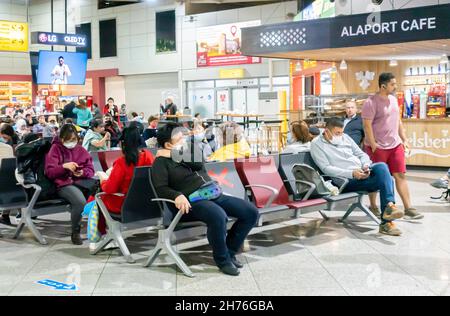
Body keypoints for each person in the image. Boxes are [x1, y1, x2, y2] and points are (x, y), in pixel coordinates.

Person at [151, 122, 258, 276]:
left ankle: (230, 251)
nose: (184, 140)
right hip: (190, 202)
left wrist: (174, 154)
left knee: (251, 212)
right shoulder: (160, 162)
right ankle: (223, 260)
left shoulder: (190, 150)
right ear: (168, 144)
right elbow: (160, 188)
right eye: (179, 138)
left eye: (184, 136)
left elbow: (198, 163)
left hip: (211, 193)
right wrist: (176, 195)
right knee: (218, 216)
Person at [310, 118, 404, 236]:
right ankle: (387, 220)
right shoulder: (316, 144)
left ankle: (389, 207)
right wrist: (352, 173)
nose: (340, 136)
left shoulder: (345, 138)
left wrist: (365, 166)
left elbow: (361, 154)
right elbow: (326, 168)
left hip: (361, 171)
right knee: (388, 179)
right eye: (337, 133)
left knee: (381, 166)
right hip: (345, 181)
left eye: (341, 132)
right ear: (326, 131)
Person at [362, 73, 424, 220]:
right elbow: (367, 125)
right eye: (392, 84)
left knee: (400, 175)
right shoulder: (370, 102)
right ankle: (373, 205)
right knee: (376, 176)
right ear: (383, 85)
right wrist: (373, 144)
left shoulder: (394, 100)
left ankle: (408, 208)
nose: (395, 87)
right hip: (378, 147)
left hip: (395, 145)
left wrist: (404, 139)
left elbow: (398, 122)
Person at [94, 126, 155, 248]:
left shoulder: (122, 162)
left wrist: (103, 180)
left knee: (98, 198)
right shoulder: (148, 157)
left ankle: (104, 234)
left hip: (125, 205)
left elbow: (110, 189)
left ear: (123, 143)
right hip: (149, 205)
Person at [45, 124, 95, 245]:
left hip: (81, 182)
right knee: (80, 202)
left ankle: (99, 228)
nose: (71, 143)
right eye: (68, 140)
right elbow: (49, 172)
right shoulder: (55, 149)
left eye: (74, 139)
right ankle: (75, 231)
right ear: (61, 139)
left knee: (100, 193)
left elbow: (90, 169)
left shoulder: (81, 150)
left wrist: (82, 172)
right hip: (62, 184)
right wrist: (64, 167)